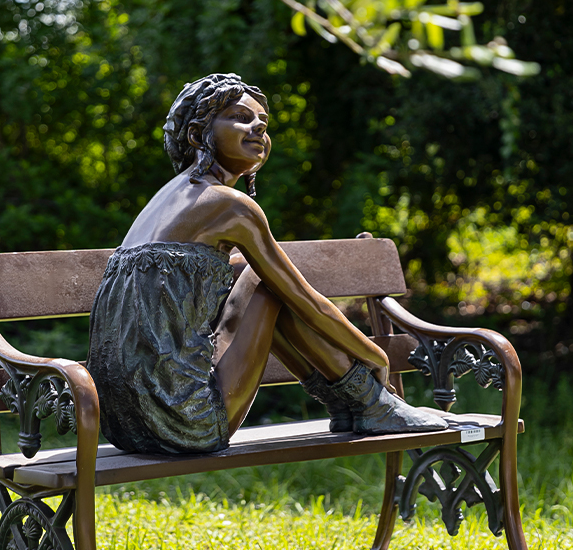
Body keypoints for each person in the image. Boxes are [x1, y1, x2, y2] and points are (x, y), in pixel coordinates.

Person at [87, 73, 447, 454]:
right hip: (184, 422)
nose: (258, 126)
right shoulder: (229, 205)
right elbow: (308, 303)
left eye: (263, 121)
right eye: (241, 117)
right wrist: (375, 356)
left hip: (123, 424)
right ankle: (370, 402)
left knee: (247, 270)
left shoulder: (166, 199)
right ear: (197, 136)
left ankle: (350, 404)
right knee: (268, 283)